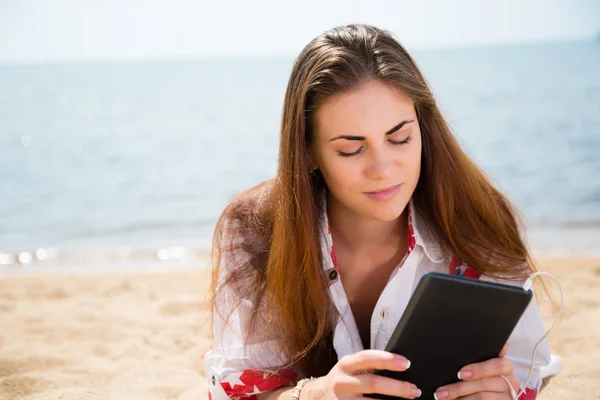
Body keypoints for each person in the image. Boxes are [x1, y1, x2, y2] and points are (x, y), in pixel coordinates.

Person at [204, 24, 560, 400]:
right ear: (307, 151)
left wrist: (501, 390)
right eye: (351, 149)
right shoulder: (255, 227)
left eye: (400, 138)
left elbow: (525, 370)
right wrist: (316, 395)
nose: (383, 169)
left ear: (423, 127)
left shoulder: (478, 218)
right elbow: (238, 387)